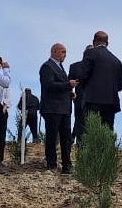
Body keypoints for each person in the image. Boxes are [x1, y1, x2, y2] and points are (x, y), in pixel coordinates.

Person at [39, 43, 76, 174]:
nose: (64, 55)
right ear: (54, 51)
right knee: (52, 137)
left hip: (64, 108)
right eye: (62, 52)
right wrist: (68, 85)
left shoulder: (60, 67)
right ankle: (51, 163)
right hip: (52, 108)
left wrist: (70, 93)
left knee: (66, 138)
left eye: (65, 52)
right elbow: (49, 85)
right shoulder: (47, 67)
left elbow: (60, 86)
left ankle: (67, 165)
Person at [79, 31, 122, 130]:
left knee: (91, 131)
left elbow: (83, 75)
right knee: (107, 131)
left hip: (92, 100)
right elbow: (119, 86)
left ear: (94, 42)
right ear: (107, 43)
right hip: (110, 102)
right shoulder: (117, 61)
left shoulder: (90, 53)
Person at [68, 45, 92, 144]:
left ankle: (75, 138)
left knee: (82, 120)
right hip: (81, 98)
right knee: (80, 119)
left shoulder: (98, 68)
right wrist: (71, 94)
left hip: (88, 99)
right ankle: (78, 142)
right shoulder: (75, 67)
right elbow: (68, 84)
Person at [0, 56, 11, 167]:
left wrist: (5, 106)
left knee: (0, 136)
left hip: (2, 109)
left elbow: (7, 93)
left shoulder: (3, 77)